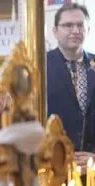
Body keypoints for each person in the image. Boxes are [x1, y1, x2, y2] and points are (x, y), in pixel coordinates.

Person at [47, 3, 95, 169]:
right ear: (55, 31)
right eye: (68, 25)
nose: (75, 31)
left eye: (80, 25)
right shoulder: (40, 66)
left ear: (88, 30)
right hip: (53, 167)